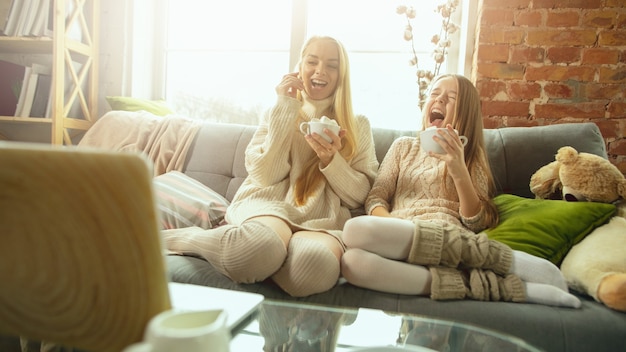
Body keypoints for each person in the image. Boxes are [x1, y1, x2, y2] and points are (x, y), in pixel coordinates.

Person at [163, 36, 379, 297]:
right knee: (256, 250)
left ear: (341, 74)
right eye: (312, 61)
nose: (320, 70)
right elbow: (264, 175)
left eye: (331, 65)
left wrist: (331, 161)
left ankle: (270, 265)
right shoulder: (276, 112)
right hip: (268, 204)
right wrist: (286, 108)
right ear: (300, 66)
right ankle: (184, 239)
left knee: (314, 268)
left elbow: (361, 196)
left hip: (322, 219)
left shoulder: (358, 125)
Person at [340, 74, 581, 307]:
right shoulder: (403, 146)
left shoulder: (469, 155)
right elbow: (376, 197)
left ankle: (494, 257)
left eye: (451, 97)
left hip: (447, 238)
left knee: (353, 229)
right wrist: (392, 226)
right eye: (435, 93)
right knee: (352, 263)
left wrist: (457, 167)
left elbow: (476, 221)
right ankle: (498, 284)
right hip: (400, 237)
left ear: (465, 113)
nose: (440, 100)